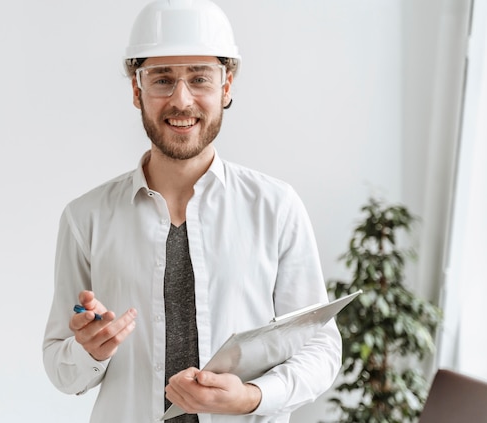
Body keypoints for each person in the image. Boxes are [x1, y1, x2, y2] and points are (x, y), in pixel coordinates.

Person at [42, 0, 342, 422]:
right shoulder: (85, 218)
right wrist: (89, 351)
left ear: (226, 87)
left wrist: (253, 396)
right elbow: (62, 370)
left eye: (200, 78)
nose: (181, 100)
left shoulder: (276, 207)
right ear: (136, 91)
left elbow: (320, 347)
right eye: (162, 79)